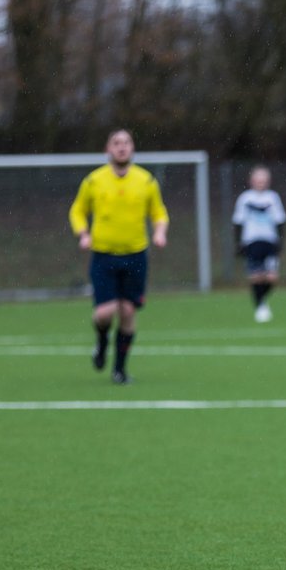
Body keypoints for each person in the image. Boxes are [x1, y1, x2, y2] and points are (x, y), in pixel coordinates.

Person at [68, 129, 168, 384]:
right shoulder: (94, 181)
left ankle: (119, 370)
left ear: (132, 148)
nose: (122, 147)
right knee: (104, 313)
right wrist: (83, 233)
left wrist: (160, 232)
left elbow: (159, 213)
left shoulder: (146, 181)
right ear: (108, 150)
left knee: (127, 311)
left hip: (136, 255)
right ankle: (102, 342)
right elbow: (77, 210)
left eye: (126, 143)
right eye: (116, 143)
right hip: (104, 255)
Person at [233, 165, 286, 323]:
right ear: (251, 181)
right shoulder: (245, 198)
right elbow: (238, 222)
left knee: (271, 277)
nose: (260, 183)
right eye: (258, 180)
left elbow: (280, 221)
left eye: (263, 180)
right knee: (256, 277)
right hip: (252, 242)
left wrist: (281, 242)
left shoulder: (272, 198)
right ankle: (260, 307)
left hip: (269, 242)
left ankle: (260, 300)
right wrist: (238, 243)